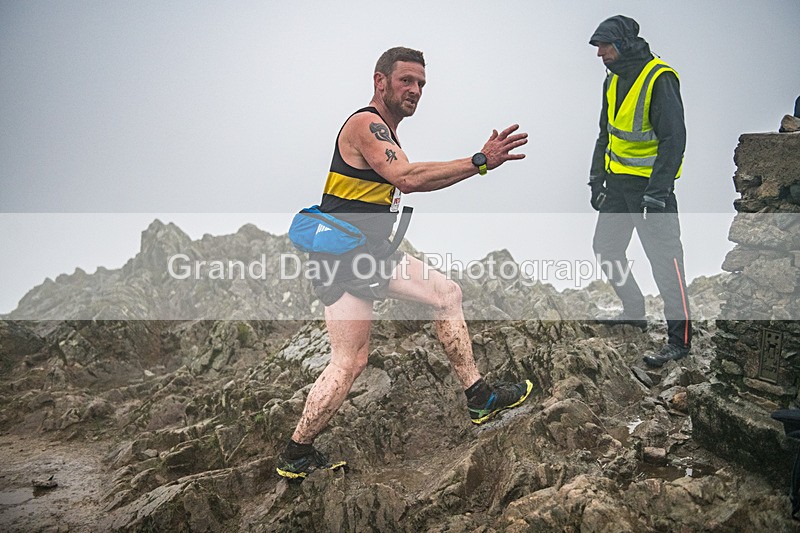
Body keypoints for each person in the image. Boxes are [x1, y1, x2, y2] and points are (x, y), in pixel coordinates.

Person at [276, 46, 533, 479]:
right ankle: (296, 452)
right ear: (381, 82)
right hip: (346, 260)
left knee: (445, 295)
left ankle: (479, 398)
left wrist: (478, 165)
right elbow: (407, 178)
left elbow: (406, 177)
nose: (415, 90)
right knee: (348, 362)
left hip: (368, 256)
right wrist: (479, 161)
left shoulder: (388, 135)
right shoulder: (366, 125)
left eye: (421, 85)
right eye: (406, 81)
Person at [587, 16, 692, 368]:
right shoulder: (612, 79)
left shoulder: (660, 78)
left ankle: (680, 341)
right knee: (606, 248)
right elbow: (606, 133)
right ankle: (634, 311)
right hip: (617, 186)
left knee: (666, 262)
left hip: (651, 190)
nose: (599, 53)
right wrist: (596, 180)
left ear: (626, 44)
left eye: (605, 45)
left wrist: (659, 191)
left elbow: (673, 140)